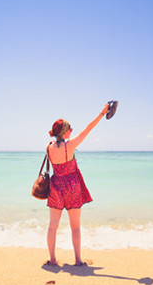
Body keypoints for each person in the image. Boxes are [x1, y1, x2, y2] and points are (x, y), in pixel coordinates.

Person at [45, 103, 111, 266]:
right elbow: (89, 128)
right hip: (72, 186)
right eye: (69, 128)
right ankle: (78, 260)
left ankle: (52, 259)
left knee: (52, 226)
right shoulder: (70, 145)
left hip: (55, 186)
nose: (71, 130)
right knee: (75, 227)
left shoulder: (48, 147)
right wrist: (102, 113)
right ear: (63, 131)